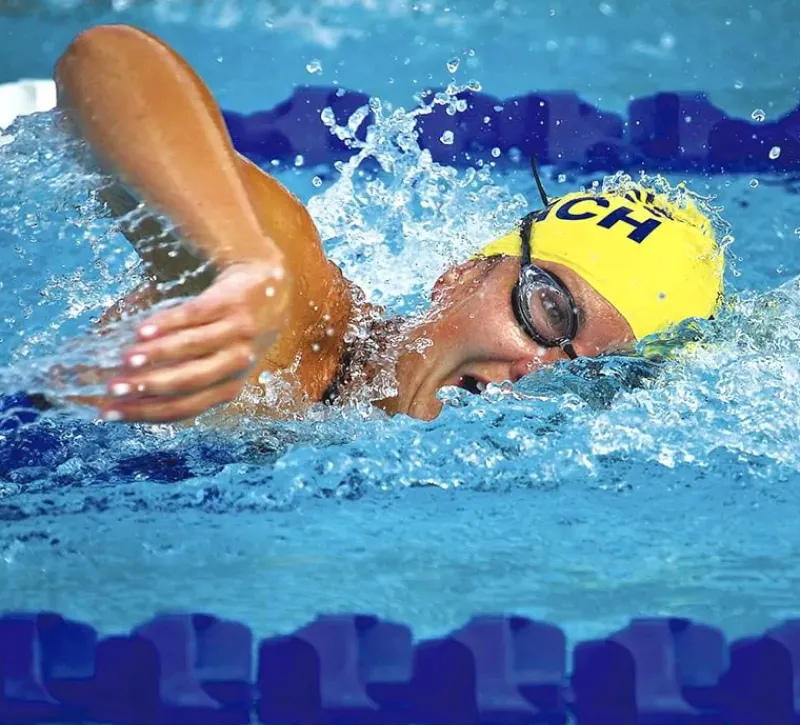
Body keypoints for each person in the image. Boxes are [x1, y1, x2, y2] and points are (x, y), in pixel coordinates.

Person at [53, 24, 724, 425]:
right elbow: (108, 60)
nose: (536, 370)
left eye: (589, 375)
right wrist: (238, 260)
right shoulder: (290, 318)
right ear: (459, 275)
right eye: (549, 312)